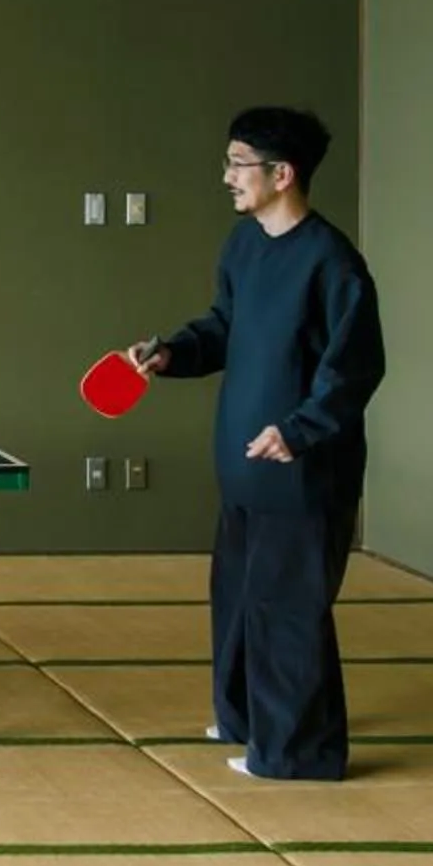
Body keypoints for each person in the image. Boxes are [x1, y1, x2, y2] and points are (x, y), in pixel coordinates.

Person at [126, 109, 383, 781]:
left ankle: (298, 751)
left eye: (238, 163)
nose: (227, 177)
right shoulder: (243, 246)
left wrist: (298, 431)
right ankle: (244, 718)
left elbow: (354, 368)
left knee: (287, 606)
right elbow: (222, 326)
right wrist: (172, 353)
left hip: (302, 470)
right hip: (243, 463)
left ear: (282, 173)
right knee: (238, 597)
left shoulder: (333, 263)